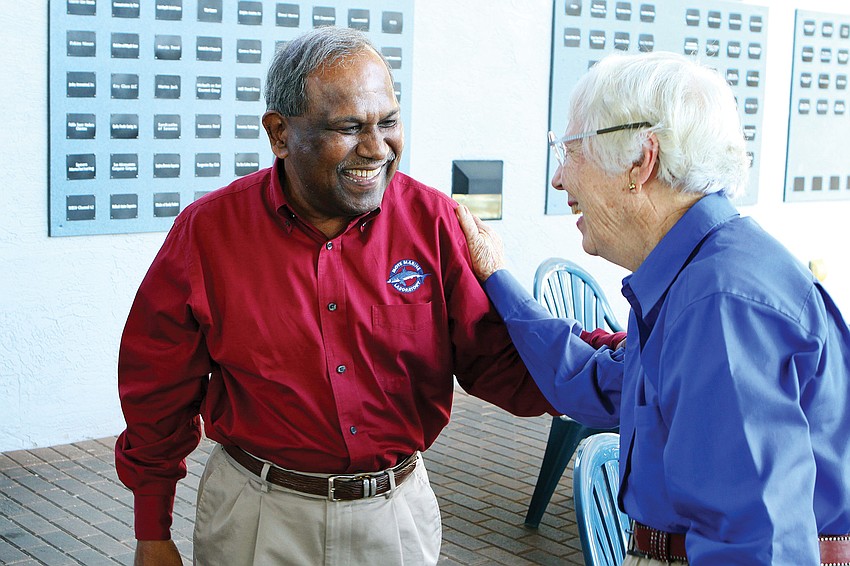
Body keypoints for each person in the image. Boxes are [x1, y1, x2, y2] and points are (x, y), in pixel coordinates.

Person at [114, 26, 621, 566]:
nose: (377, 149)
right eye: (349, 127)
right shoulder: (209, 233)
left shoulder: (435, 224)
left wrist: (635, 363)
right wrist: (153, 528)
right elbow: (158, 386)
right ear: (279, 133)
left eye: (389, 122)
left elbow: (502, 358)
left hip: (393, 518)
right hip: (258, 518)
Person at [456, 50, 850, 565]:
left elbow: (756, 545)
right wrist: (498, 277)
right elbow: (599, 385)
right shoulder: (694, 275)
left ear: (641, 162)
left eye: (569, 151)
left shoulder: (719, 304)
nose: (559, 180)